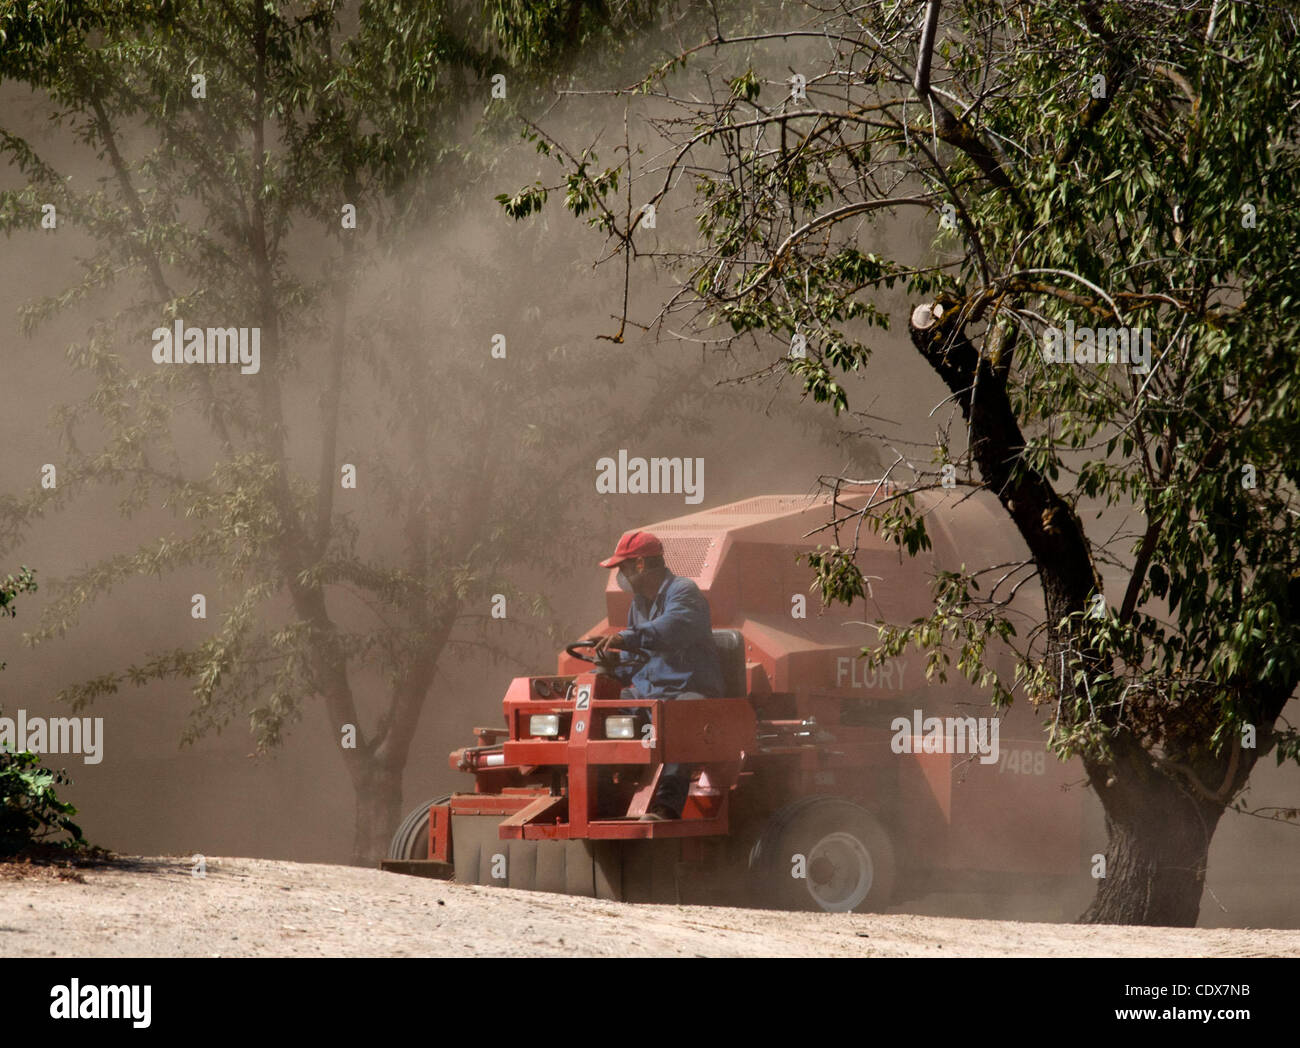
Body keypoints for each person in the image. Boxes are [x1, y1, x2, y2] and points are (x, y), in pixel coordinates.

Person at [585, 530, 724, 821]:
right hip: (650, 691)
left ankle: (665, 808)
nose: (620, 576)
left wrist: (629, 637)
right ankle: (604, 799)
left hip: (688, 689)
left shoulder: (684, 591)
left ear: (640, 565)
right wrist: (607, 667)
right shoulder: (639, 604)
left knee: (676, 718)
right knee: (600, 710)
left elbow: (672, 629)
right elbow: (636, 660)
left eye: (622, 567)